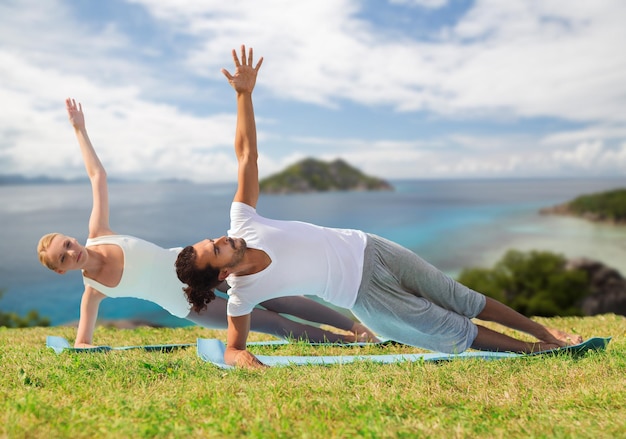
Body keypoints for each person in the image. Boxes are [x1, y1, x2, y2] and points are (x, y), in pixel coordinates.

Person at [175, 45, 585, 369]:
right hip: (363, 294)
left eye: (214, 239)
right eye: (217, 248)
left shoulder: (243, 220)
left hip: (371, 246)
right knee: (447, 328)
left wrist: (244, 97)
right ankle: (531, 351)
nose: (223, 238)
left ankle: (545, 333)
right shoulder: (244, 295)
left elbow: (247, 156)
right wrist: (241, 359)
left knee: (462, 297)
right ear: (224, 272)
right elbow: (233, 346)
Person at [36, 98, 377, 348]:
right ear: (62, 270)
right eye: (62, 258)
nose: (71, 252)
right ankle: (343, 343)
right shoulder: (93, 292)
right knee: (268, 322)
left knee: (280, 297)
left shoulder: (98, 234)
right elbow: (83, 342)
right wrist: (82, 346)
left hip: (199, 265)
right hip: (185, 304)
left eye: (66, 243)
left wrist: (79, 129)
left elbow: (98, 176)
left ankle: (356, 327)